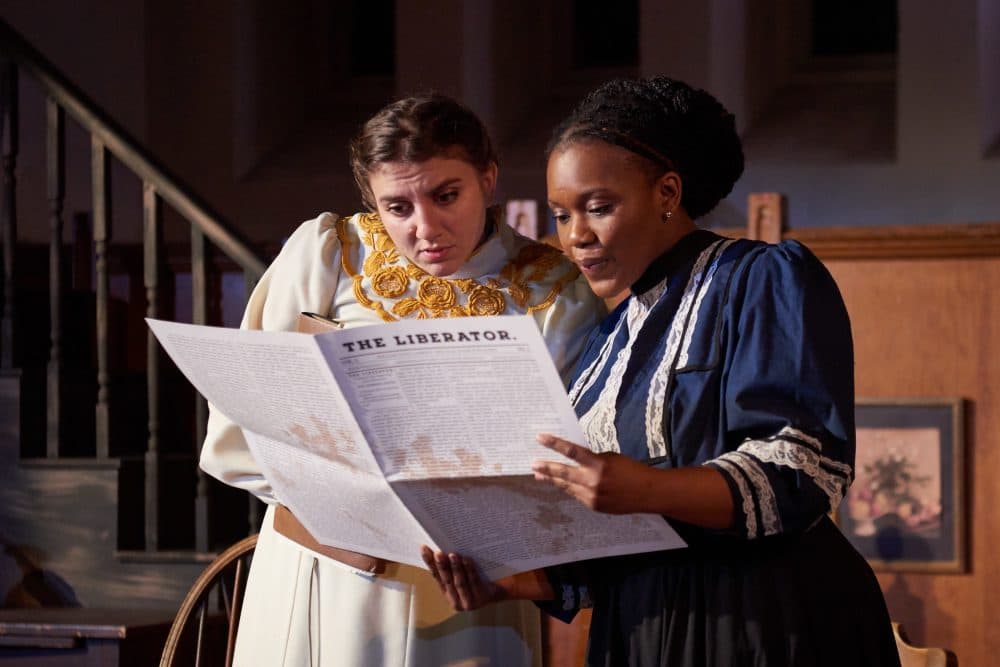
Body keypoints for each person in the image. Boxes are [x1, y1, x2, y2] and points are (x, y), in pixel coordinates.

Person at [422, 76, 902, 666]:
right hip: (643, 623)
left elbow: (804, 468)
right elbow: (628, 542)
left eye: (598, 207)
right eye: (561, 214)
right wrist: (518, 583)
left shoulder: (761, 278)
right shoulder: (606, 338)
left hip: (767, 618)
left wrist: (643, 489)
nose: (575, 237)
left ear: (667, 191)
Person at [199, 93, 605, 666]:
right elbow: (243, 423)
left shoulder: (553, 294)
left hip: (463, 583)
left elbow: (570, 460)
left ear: (487, 179)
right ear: (371, 200)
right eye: (398, 207)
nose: (425, 228)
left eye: (446, 196)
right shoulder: (328, 255)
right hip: (322, 563)